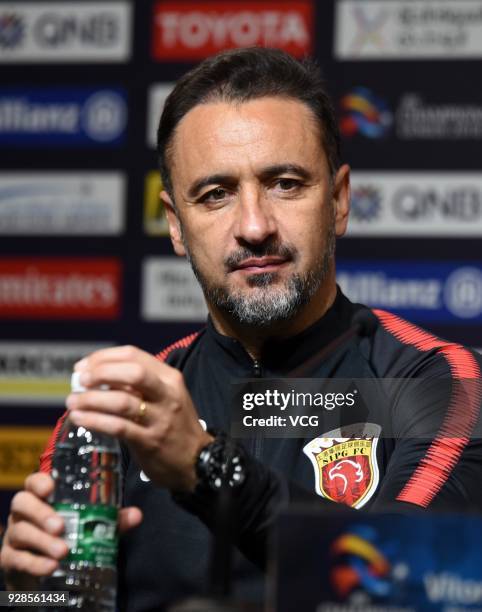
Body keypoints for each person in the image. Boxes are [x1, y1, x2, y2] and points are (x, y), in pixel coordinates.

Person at [1, 47, 482, 611]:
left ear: (339, 201)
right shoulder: (116, 412)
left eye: (285, 184)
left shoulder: (441, 382)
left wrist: (204, 467)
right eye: (215, 195)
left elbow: (408, 583)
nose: (254, 226)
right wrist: (31, 593)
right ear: (177, 226)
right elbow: (63, 599)